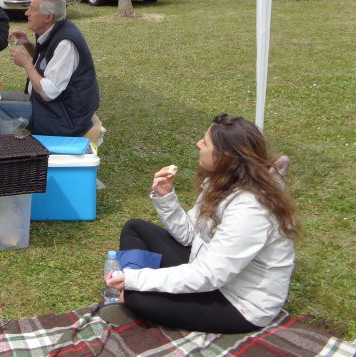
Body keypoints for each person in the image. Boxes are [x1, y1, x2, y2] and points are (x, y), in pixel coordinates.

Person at [101, 114, 299, 334]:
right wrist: (166, 198)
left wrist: (135, 279)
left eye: (205, 142)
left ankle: (130, 297)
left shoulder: (251, 209)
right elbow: (188, 236)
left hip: (239, 303)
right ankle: (129, 293)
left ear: (223, 156)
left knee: (138, 297)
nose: (198, 144)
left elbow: (209, 275)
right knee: (135, 228)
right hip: (209, 269)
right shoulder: (224, 180)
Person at [0, 0, 99, 136]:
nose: (27, 13)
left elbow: (48, 92)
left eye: (32, 10)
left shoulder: (65, 42)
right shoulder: (56, 30)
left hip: (63, 117)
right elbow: (47, 63)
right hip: (50, 107)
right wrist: (27, 43)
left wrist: (27, 64)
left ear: (48, 17)